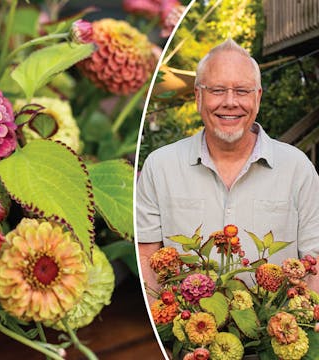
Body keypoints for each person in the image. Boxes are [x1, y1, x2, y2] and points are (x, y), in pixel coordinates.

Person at [136, 39, 319, 300]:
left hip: (277, 334)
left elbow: (315, 262)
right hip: (180, 336)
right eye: (218, 90)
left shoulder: (297, 168)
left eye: (242, 91)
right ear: (198, 96)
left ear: (258, 97)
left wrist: (301, 324)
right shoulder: (160, 166)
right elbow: (145, 257)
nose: (230, 102)